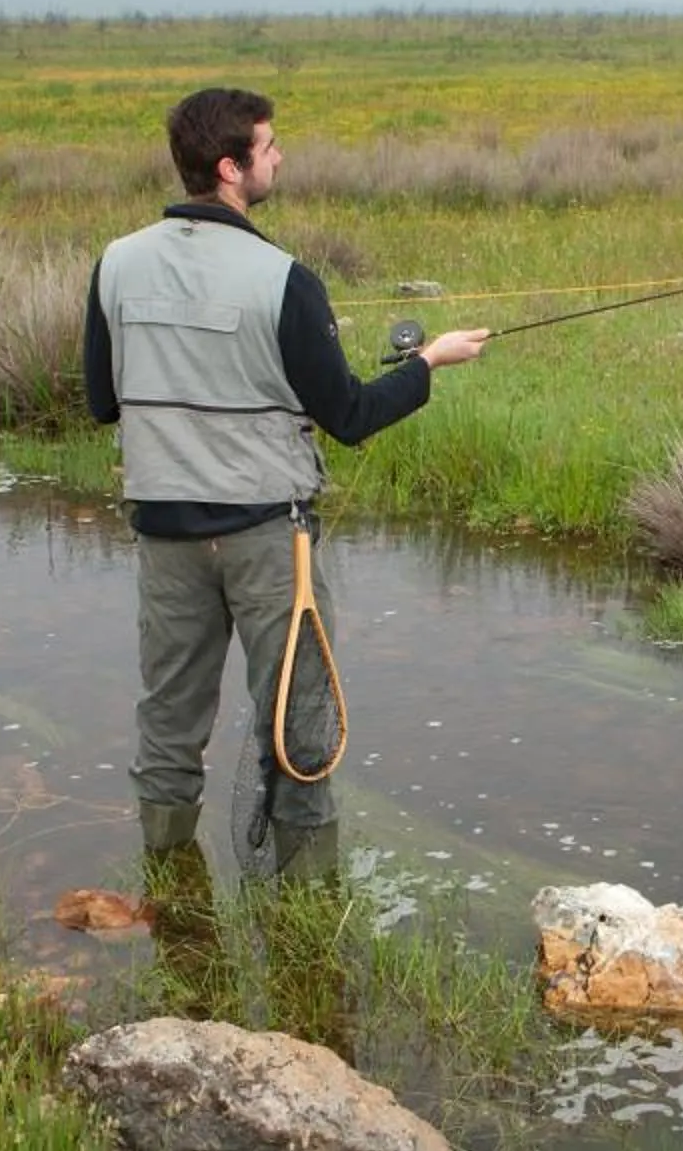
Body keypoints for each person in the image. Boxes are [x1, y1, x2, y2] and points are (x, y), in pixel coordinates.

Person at [84, 86, 487, 880]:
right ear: (232, 169)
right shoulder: (285, 279)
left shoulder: (116, 263)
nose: (280, 159)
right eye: (269, 149)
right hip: (272, 541)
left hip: (164, 539)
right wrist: (429, 363)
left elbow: (103, 402)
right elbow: (349, 414)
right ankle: (309, 919)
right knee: (299, 731)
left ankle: (171, 898)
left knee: (169, 727)